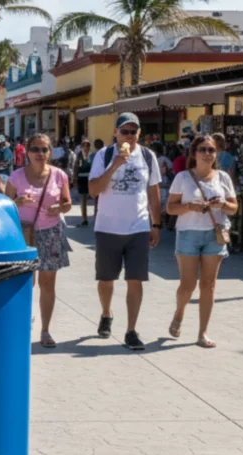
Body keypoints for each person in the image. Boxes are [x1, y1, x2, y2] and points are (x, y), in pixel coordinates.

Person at [88, 113, 163, 352]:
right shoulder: (104, 155)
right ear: (115, 133)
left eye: (133, 132)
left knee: (135, 280)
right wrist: (115, 165)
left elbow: (153, 192)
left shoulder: (148, 156)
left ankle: (131, 330)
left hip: (138, 228)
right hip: (108, 227)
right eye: (125, 131)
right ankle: (106, 313)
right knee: (106, 279)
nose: (129, 136)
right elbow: (93, 190)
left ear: (139, 134)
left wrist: (156, 224)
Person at [166, 134, 238, 348]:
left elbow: (234, 208)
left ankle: (202, 333)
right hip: (188, 233)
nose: (208, 154)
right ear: (194, 153)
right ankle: (179, 313)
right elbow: (170, 208)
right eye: (203, 150)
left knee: (208, 285)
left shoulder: (223, 178)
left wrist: (222, 205)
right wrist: (190, 206)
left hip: (215, 234)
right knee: (187, 285)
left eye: (211, 150)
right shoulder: (183, 178)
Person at [5, 134, 72, 348]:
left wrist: (60, 208)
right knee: (25, 282)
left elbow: (68, 203)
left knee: (47, 283)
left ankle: (45, 330)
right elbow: (4, 208)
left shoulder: (59, 175)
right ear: (27, 151)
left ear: (50, 152)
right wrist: (17, 201)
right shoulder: (16, 177)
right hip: (23, 234)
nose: (40, 154)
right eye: (35, 149)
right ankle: (22, 323)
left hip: (51, 232)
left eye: (44, 149)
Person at [74, 140, 95, 227]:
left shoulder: (92, 155)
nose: (86, 147)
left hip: (91, 179)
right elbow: (76, 167)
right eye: (84, 145)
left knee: (96, 198)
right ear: (82, 146)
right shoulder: (79, 155)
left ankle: (97, 217)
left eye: (88, 145)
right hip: (81, 178)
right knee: (84, 198)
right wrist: (75, 178)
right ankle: (84, 218)